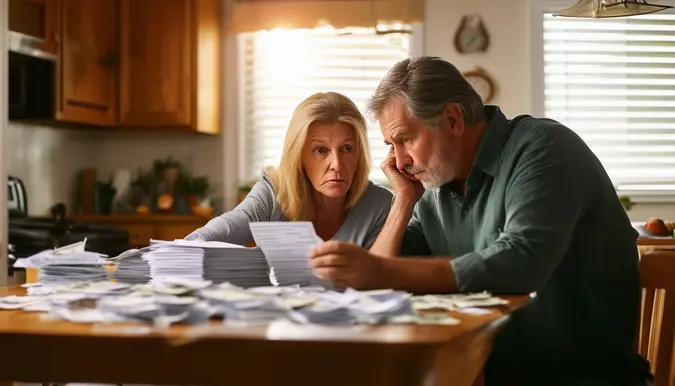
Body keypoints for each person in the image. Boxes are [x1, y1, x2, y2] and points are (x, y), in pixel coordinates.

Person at [308, 57, 652, 385]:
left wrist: (381, 272)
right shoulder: (433, 186)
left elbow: (522, 260)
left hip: (581, 380)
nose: (399, 161)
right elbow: (378, 279)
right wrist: (402, 202)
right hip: (484, 376)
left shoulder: (544, 148)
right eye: (390, 145)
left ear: (453, 120)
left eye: (406, 139)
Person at [186, 91, 392, 249]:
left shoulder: (378, 204)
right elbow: (204, 239)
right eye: (321, 150)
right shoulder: (273, 193)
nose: (337, 164)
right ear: (299, 156)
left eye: (347, 149)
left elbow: (378, 279)